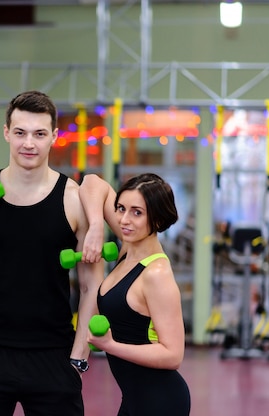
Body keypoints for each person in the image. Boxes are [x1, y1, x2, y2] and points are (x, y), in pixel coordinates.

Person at [0, 90, 102, 416]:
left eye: (39, 134)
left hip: (54, 356)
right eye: (20, 133)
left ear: (54, 137)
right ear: (6, 133)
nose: (28, 143)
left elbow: (90, 287)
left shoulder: (73, 200)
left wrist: (78, 358)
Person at [79, 173, 191, 416]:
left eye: (137, 212)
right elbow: (91, 182)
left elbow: (173, 355)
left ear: (158, 220)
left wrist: (110, 346)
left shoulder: (156, 274)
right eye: (120, 208)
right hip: (134, 398)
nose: (124, 220)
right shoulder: (128, 251)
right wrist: (97, 226)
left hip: (160, 401)